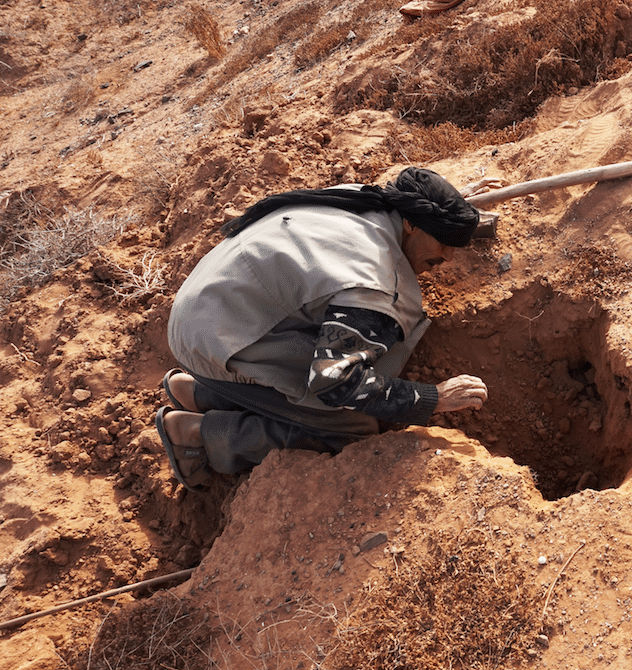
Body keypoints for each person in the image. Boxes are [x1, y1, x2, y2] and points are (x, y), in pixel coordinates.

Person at [155, 167, 489, 491]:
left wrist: (455, 215)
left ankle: (201, 392)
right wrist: (432, 399)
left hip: (208, 309)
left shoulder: (366, 200)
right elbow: (334, 382)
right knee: (351, 427)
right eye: (442, 243)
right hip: (219, 339)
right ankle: (199, 435)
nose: (447, 257)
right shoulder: (377, 282)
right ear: (411, 224)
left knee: (327, 362)